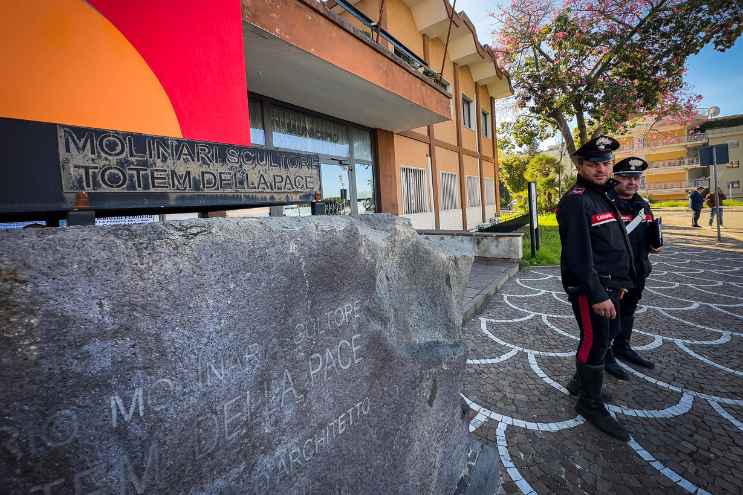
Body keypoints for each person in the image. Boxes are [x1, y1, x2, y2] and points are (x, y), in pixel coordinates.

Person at [557, 135, 635, 441]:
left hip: (612, 284)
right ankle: (589, 402)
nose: (601, 169)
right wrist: (598, 294)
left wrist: (622, 284)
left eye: (606, 163)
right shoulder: (576, 201)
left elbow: (614, 243)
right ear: (580, 165)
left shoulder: (604, 195)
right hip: (593, 289)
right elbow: (578, 255)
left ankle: (581, 382)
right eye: (593, 164)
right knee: (595, 339)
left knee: (607, 336)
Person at [608, 157, 659, 372]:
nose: (632, 183)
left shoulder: (642, 205)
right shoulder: (605, 203)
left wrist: (655, 243)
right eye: (627, 178)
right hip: (613, 274)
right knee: (610, 315)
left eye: (636, 178)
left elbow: (648, 235)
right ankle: (605, 354)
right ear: (615, 179)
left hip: (638, 270)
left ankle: (622, 346)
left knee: (629, 310)